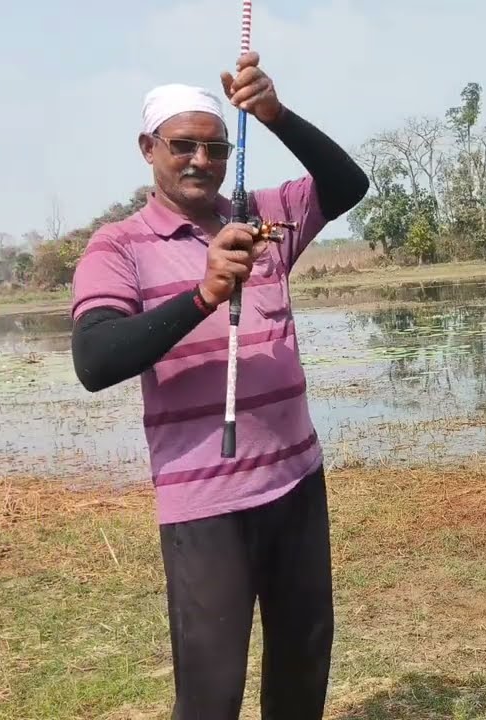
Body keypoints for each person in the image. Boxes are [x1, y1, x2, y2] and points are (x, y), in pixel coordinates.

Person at [68, 51, 368, 719]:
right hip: (204, 502)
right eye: (183, 145)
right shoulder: (117, 246)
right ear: (148, 148)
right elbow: (95, 359)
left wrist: (276, 114)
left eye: (216, 147)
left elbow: (347, 184)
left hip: (296, 481)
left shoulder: (262, 218)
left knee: (303, 662)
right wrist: (203, 294)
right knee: (211, 691)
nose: (201, 160)